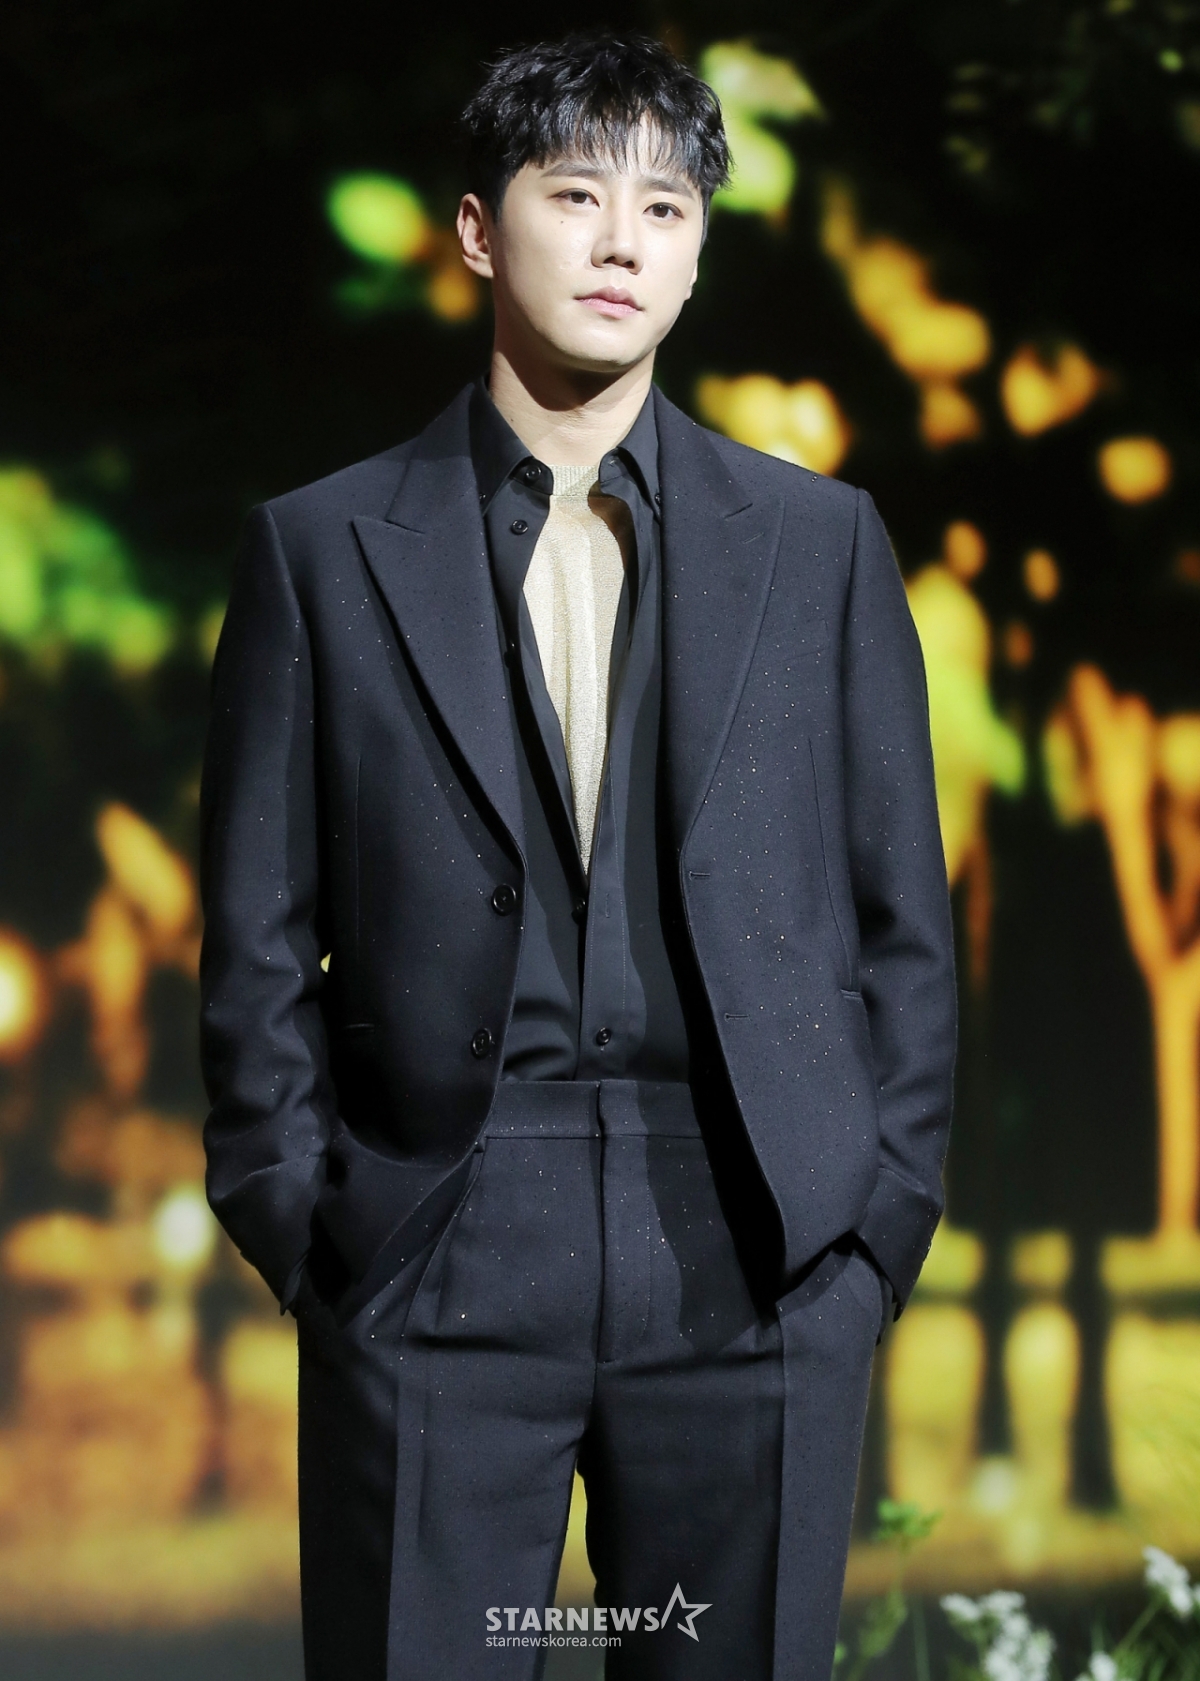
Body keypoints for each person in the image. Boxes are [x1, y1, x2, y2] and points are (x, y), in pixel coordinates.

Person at [199, 30, 956, 1681]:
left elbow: (902, 916)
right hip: (435, 1236)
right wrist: (306, 1220)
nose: (623, 243)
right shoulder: (320, 549)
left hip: (753, 1235)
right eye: (576, 196)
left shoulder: (821, 546)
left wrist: (870, 1228)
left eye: (666, 209)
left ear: (698, 251)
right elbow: (254, 933)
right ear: (481, 230)